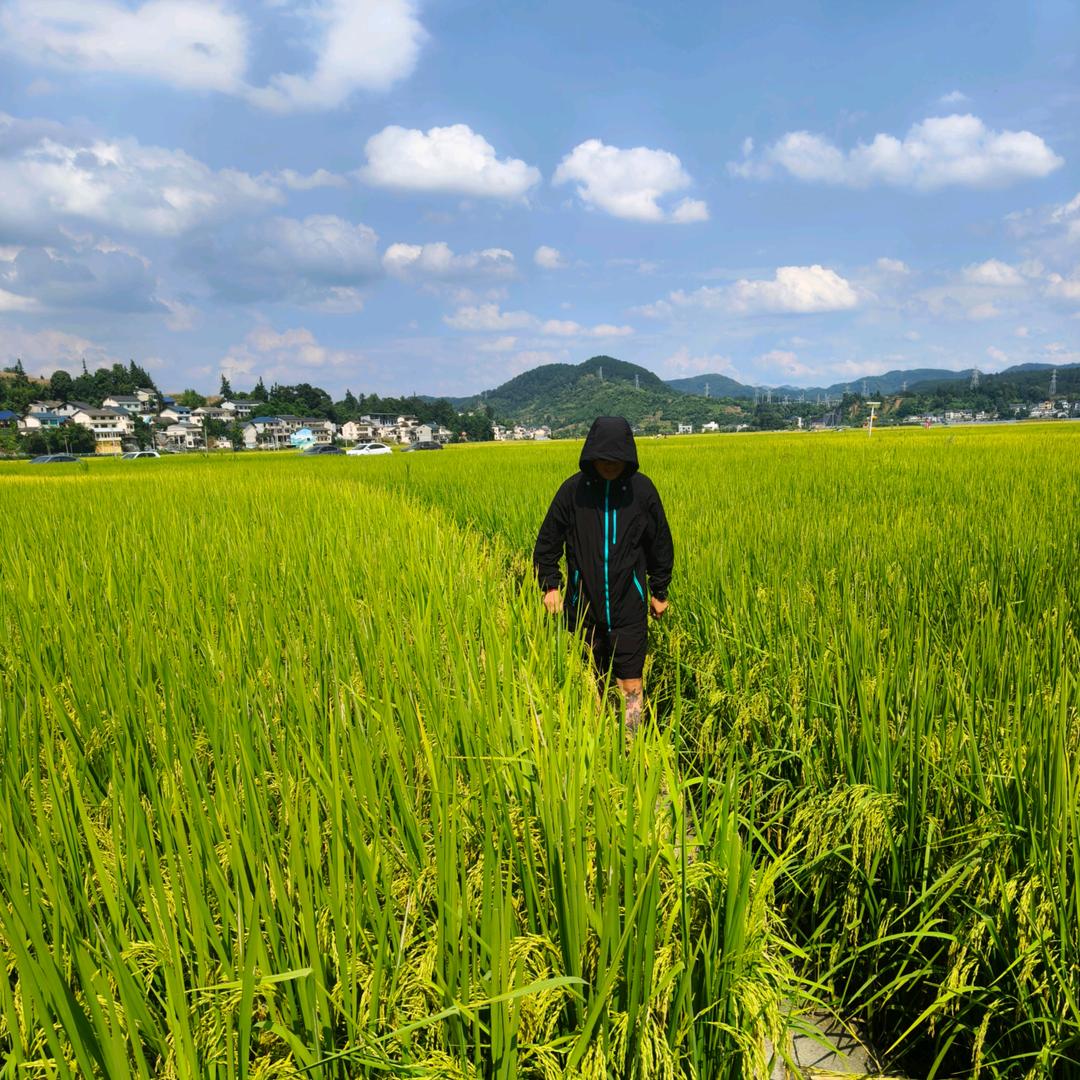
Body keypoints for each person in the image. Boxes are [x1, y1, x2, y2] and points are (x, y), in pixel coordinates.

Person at [533, 415, 674, 730]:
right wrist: (550, 586)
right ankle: (596, 741)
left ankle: (632, 742)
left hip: (629, 607)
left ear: (629, 456)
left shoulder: (642, 491)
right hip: (584, 608)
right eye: (603, 458)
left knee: (631, 685)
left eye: (618, 459)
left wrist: (659, 590)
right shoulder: (573, 492)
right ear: (591, 455)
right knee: (593, 680)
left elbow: (660, 543)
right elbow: (547, 544)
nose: (610, 464)